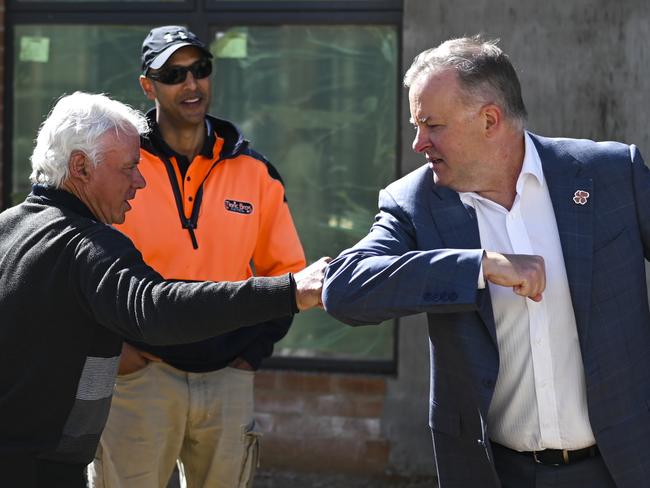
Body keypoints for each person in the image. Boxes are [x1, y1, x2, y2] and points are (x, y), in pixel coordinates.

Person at [323, 35, 650, 488]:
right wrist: (478, 266)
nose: (419, 143)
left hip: (620, 465)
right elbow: (344, 289)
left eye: (432, 125)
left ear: (489, 120)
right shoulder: (415, 203)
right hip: (495, 473)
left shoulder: (610, 173)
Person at [0, 91, 328, 488]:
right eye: (128, 169)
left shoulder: (9, 227)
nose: (139, 182)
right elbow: (157, 310)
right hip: (42, 469)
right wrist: (292, 291)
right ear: (81, 167)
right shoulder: (88, 246)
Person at [89, 26, 307, 488]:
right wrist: (117, 352)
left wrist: (251, 353)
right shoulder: (120, 166)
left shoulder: (255, 171)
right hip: (138, 377)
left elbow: (286, 274)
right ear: (148, 86)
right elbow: (84, 265)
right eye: (173, 74)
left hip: (228, 377)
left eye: (200, 70)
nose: (191, 84)